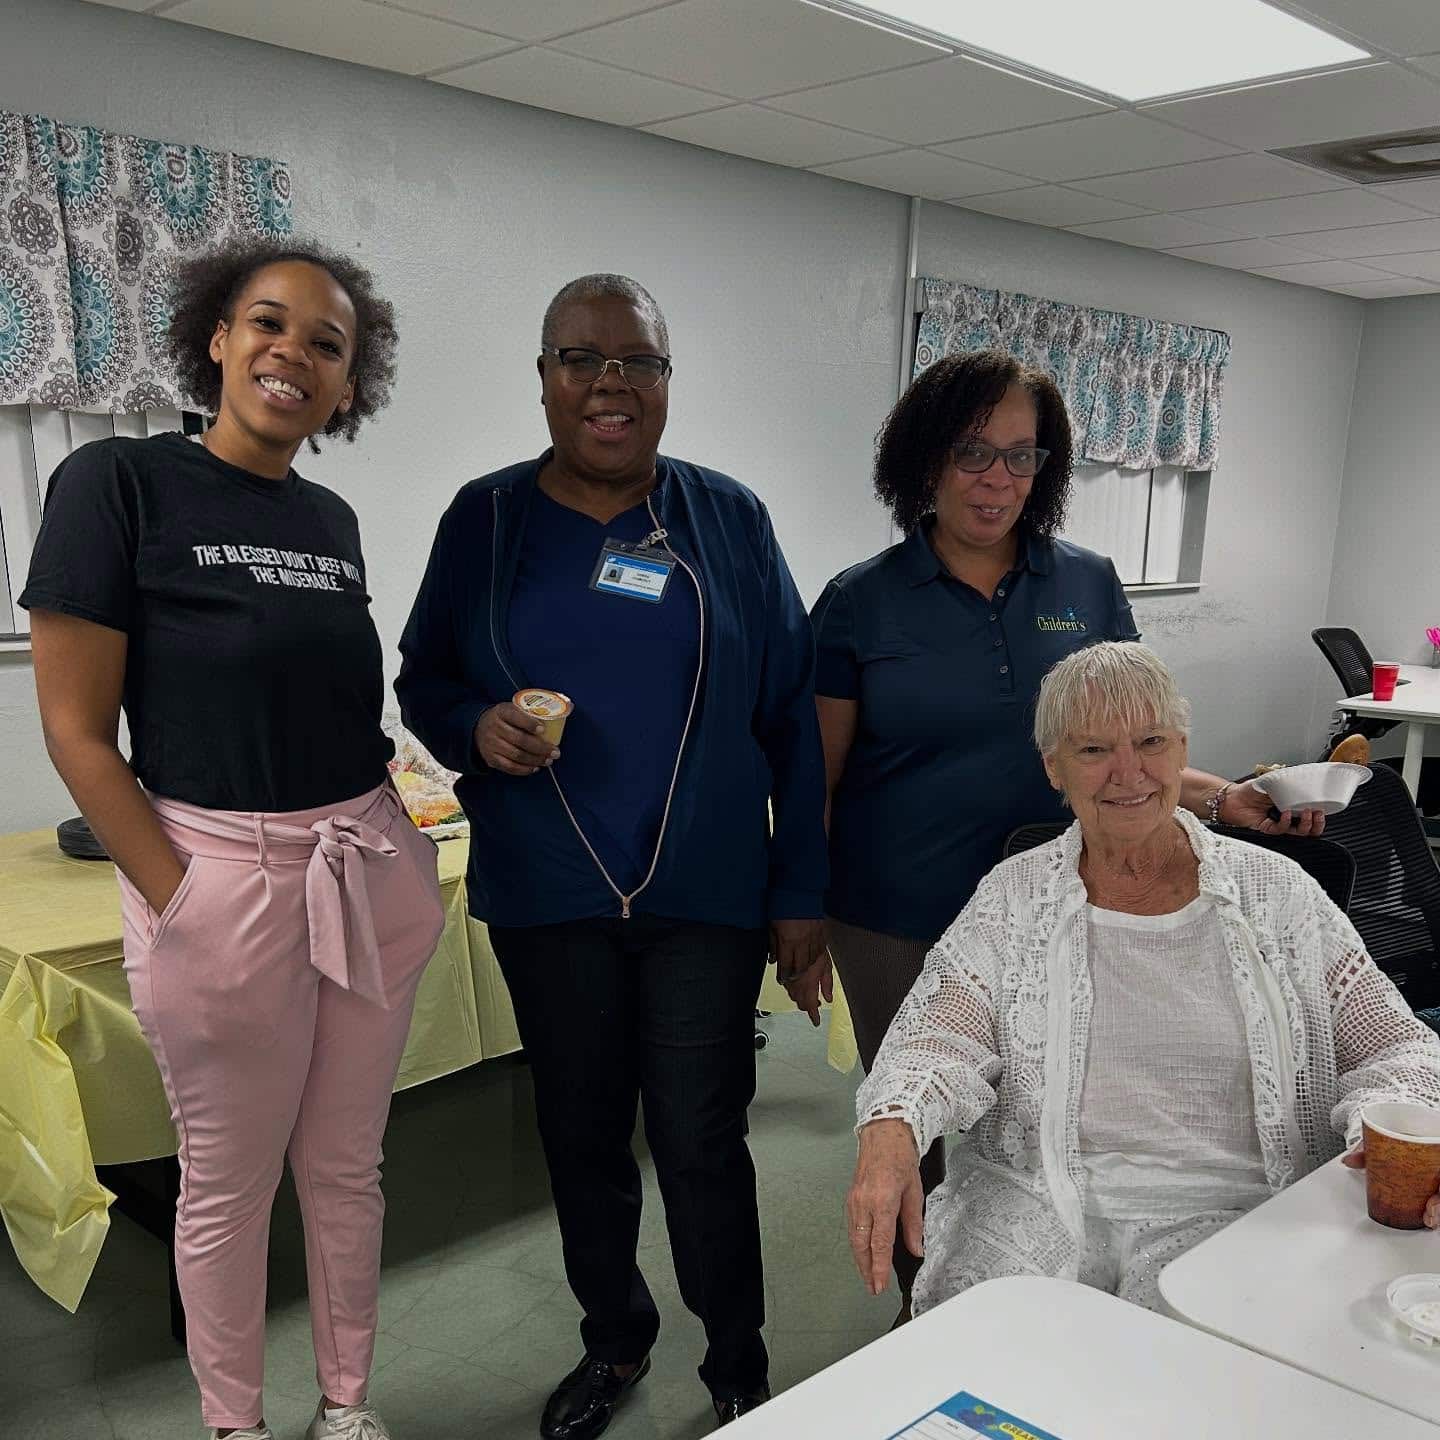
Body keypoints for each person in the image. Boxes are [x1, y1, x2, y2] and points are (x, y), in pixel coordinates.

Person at [790, 350, 1323, 1323]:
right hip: (899, 916)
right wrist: (796, 913)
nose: (998, 480)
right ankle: (940, 1329)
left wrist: (1216, 797)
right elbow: (812, 777)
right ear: (923, 461)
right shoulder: (860, 602)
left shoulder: (1085, 581)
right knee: (930, 1140)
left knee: (1058, 1136)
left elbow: (1118, 742)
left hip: (1067, 910)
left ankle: (1075, 1331)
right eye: (972, 453)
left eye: (1022, 457)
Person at [22, 239, 444, 1440]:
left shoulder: (330, 516)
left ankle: (349, 1406)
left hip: (366, 861)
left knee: (347, 1169)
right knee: (228, 1185)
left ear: (349, 385)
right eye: (269, 325)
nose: (292, 355)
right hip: (222, 877)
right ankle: (235, 1424)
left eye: (327, 344)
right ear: (215, 336)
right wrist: (180, 894)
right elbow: (76, 732)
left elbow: (333, 707)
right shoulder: (119, 484)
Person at [395, 274, 827, 1436]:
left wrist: (802, 892)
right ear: (543, 379)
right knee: (582, 1135)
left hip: (705, 893)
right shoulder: (483, 520)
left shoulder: (725, 518)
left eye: (638, 361)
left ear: (667, 383)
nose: (610, 384)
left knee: (699, 1136)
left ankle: (738, 1363)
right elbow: (425, 674)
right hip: (550, 895)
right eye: (581, 359)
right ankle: (614, 1342)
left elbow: (791, 715)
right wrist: (470, 728)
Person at [844, 641, 1440, 1314]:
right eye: (1093, 750)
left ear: (1183, 748)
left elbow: (1396, 1046)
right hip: (1035, 1200)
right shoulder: (1014, 898)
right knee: (988, 1380)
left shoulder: (1275, 894)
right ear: (1053, 768)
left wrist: (1402, 1130)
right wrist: (892, 1125)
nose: (1128, 774)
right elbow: (936, 1037)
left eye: (1149, 741)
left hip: (1234, 1214)